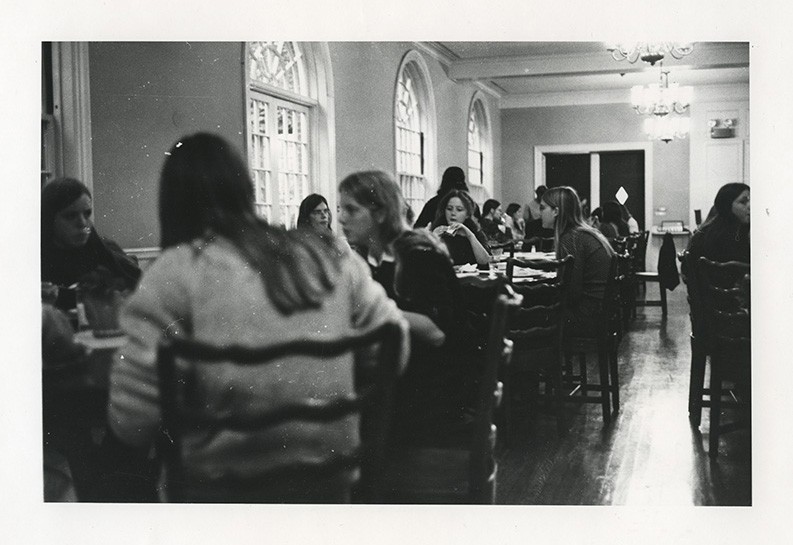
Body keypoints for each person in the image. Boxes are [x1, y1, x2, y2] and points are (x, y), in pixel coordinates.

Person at [108, 134, 408, 502]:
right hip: (330, 488)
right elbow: (396, 342)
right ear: (247, 189)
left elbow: (132, 422)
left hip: (220, 502)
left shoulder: (176, 272)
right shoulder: (331, 257)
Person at [338, 171, 475, 443]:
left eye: (351, 210)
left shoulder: (418, 255)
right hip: (404, 376)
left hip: (432, 391)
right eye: (340, 208)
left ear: (379, 213)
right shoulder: (368, 258)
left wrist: (369, 309)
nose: (341, 218)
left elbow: (438, 333)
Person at [41, 178, 141, 310]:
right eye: (70, 216)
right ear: (50, 219)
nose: (82, 223)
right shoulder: (36, 261)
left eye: (87, 214)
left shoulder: (107, 251)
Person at [540, 186, 615, 334]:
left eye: (543, 208)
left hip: (587, 315)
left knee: (525, 316)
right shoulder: (583, 233)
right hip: (601, 310)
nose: (539, 213)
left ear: (556, 211)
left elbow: (572, 292)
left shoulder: (571, 239)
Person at [431, 189, 491, 267]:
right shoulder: (437, 229)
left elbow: (484, 261)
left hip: (471, 277)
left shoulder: (475, 231)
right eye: (449, 209)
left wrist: (470, 236)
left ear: (467, 214)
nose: (453, 213)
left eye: (459, 210)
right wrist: (432, 239)